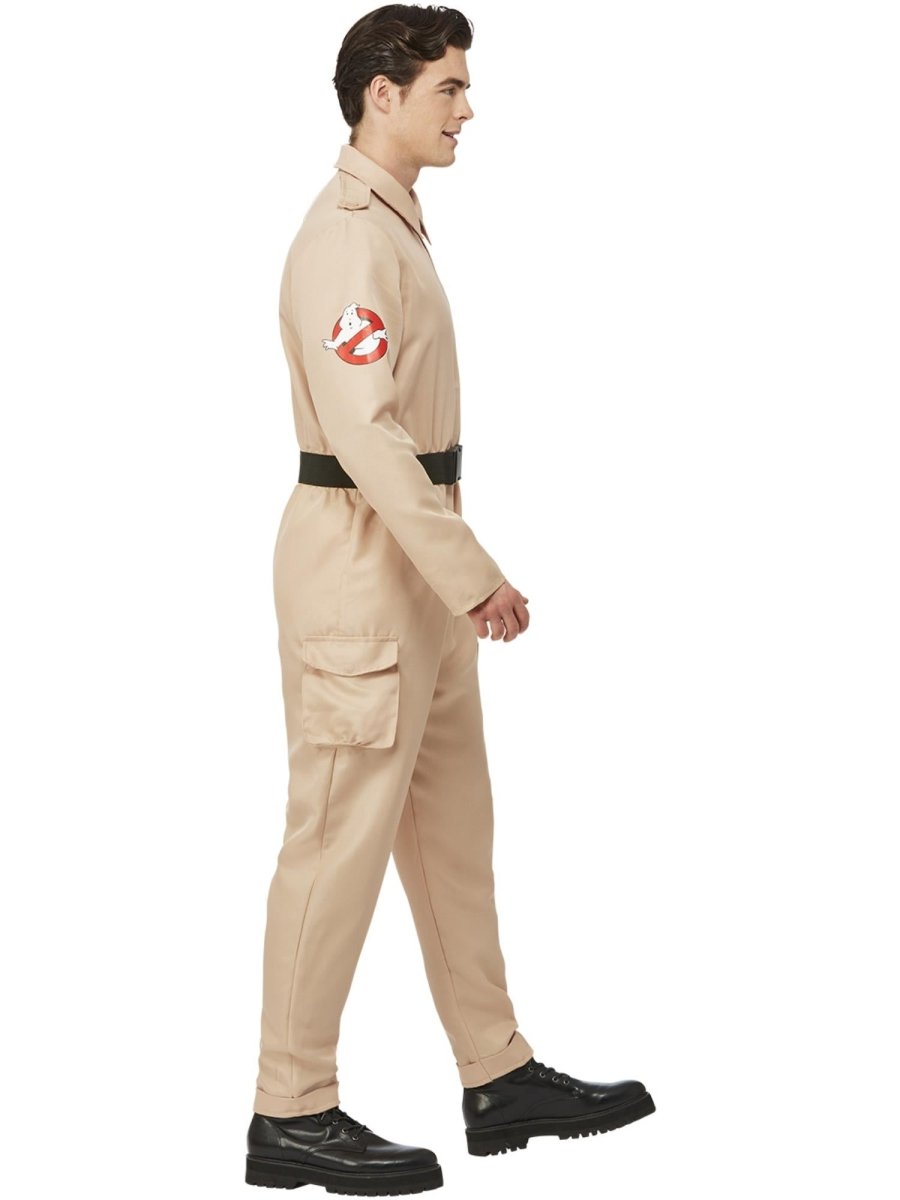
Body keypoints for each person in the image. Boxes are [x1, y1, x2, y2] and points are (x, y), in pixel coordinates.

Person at [246, 5, 655, 1194]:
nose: (468, 110)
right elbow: (368, 440)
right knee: (336, 843)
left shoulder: (392, 225)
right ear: (382, 94)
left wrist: (451, 577)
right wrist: (473, 575)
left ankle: (496, 1072)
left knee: (451, 835)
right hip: (363, 567)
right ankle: (290, 1109)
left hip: (411, 568)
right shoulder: (345, 240)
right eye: (449, 89)